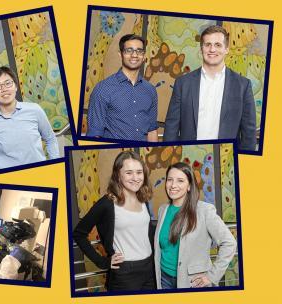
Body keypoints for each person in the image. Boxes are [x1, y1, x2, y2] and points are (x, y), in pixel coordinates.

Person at [72, 151, 156, 291]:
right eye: (129, 173)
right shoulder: (107, 203)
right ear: (118, 174)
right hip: (124, 273)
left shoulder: (143, 200)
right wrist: (102, 262)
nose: (135, 178)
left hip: (149, 268)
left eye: (139, 172)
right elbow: (79, 234)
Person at [164, 25, 256, 150]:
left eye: (218, 45)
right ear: (201, 48)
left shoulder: (243, 86)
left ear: (226, 49)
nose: (212, 49)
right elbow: (171, 127)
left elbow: (248, 134)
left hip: (225, 159)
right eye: (207, 44)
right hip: (188, 155)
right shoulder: (182, 83)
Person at [154, 162, 237, 289]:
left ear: (189, 186)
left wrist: (212, 276)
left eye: (180, 181)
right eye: (170, 180)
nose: (173, 185)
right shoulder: (162, 210)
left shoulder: (205, 210)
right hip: (164, 278)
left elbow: (229, 243)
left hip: (192, 282)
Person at [0, 66, 59, 170]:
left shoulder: (35, 110)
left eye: (8, 83)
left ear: (15, 86)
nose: (4, 89)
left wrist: (54, 166)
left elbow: (50, 139)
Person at [86, 34, 158, 142]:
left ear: (143, 57)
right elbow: (94, 133)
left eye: (139, 51)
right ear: (121, 54)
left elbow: (152, 130)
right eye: (129, 50)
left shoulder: (150, 90)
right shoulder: (103, 89)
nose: (134, 55)